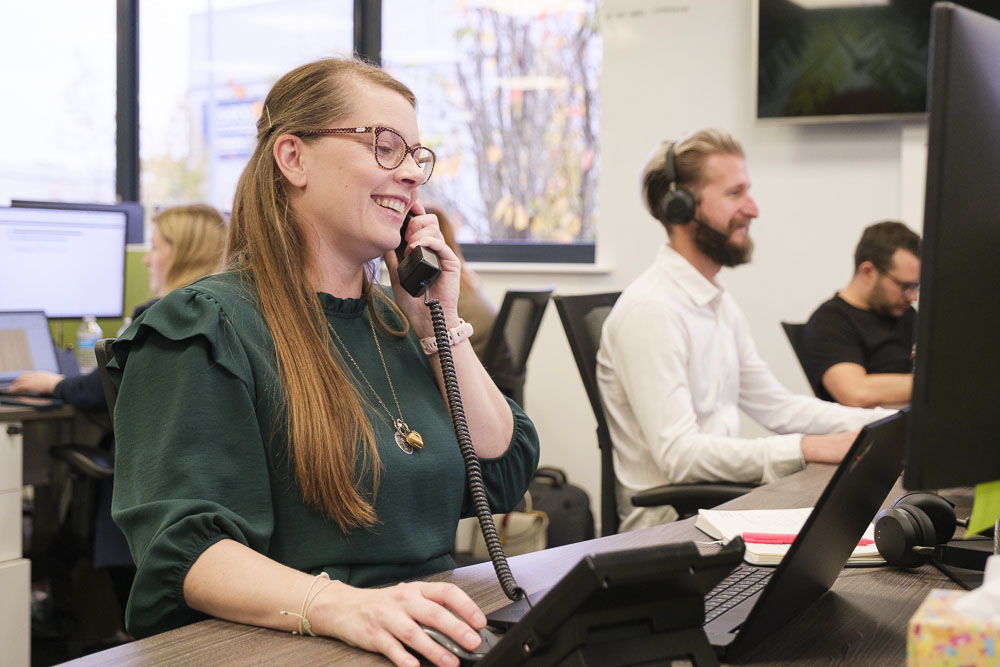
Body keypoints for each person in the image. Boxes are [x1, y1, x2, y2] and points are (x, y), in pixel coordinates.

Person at [107, 57, 539, 667]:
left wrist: (439, 328)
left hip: (425, 635)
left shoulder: (397, 320)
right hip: (296, 646)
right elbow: (186, 551)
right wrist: (344, 606)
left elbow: (500, 473)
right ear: (293, 158)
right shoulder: (207, 325)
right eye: (386, 147)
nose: (412, 174)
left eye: (417, 155)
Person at [596, 129, 893, 532]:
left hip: (716, 506)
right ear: (681, 208)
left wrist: (883, 423)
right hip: (671, 529)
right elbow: (678, 456)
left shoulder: (716, 301)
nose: (752, 209)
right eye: (735, 194)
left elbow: (776, 405)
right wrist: (806, 447)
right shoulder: (652, 310)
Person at [8, 203, 228, 408]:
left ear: (183, 255)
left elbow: (100, 388)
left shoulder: (159, 317)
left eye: (155, 247)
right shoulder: (229, 311)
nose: (146, 259)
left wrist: (53, 384)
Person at [801, 221, 920, 407]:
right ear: (868, 272)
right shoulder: (830, 321)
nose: (912, 296)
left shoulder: (906, 314)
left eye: (915, 286)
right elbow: (855, 392)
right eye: (905, 286)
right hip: (872, 432)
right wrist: (933, 384)